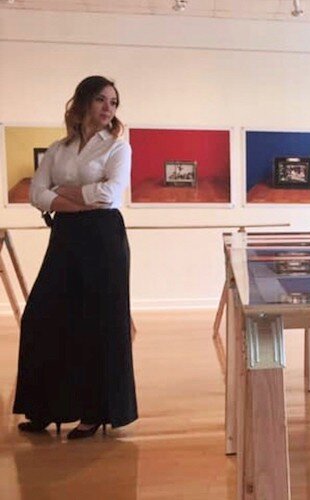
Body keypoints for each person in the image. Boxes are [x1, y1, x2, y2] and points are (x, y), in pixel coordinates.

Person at [13, 75, 138, 440]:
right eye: (101, 100)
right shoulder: (58, 148)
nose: (108, 108)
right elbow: (37, 193)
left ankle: (95, 412)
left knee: (98, 323)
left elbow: (110, 195)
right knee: (41, 315)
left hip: (103, 239)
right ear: (82, 103)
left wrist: (65, 194)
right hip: (66, 236)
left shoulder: (117, 148)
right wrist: (76, 200)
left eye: (113, 103)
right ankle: (44, 407)